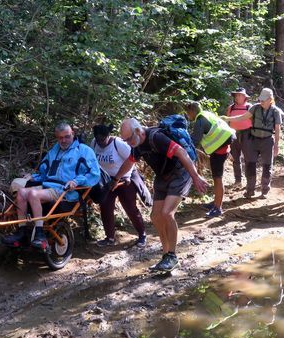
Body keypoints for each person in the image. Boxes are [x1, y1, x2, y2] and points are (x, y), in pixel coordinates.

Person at [116, 118, 208, 272]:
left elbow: (182, 153)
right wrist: (115, 179)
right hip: (163, 176)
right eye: (125, 140)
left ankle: (172, 256)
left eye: (129, 138)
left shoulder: (157, 137)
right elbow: (129, 162)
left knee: (167, 213)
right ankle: (166, 255)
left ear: (138, 131)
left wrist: (195, 176)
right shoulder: (136, 144)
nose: (128, 142)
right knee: (155, 216)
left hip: (181, 172)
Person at [5, 122, 100, 249]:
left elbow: (94, 174)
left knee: (33, 194)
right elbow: (46, 172)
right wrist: (34, 177)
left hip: (65, 190)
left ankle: (39, 233)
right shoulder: (55, 151)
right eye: (60, 138)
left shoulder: (84, 151)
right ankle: (22, 231)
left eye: (67, 136)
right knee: (21, 192)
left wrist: (76, 181)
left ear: (73, 134)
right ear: (56, 137)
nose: (64, 140)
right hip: (48, 186)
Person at [91, 124, 147, 247]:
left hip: (125, 179)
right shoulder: (94, 143)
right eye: (98, 139)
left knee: (130, 207)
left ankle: (142, 235)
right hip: (108, 181)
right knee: (105, 207)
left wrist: (126, 176)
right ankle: (110, 237)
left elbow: (132, 160)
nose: (100, 143)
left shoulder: (118, 144)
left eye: (103, 139)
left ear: (108, 136)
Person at [222, 88, 284, 199]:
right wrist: (227, 118)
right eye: (260, 99)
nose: (261, 102)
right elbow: (242, 117)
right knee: (250, 164)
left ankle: (265, 190)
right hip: (253, 140)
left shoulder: (276, 111)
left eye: (264, 100)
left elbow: (277, 128)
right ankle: (250, 190)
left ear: (270, 99)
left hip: (267, 140)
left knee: (267, 166)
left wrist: (276, 145)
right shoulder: (255, 108)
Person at [185, 102, 235, 217]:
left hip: (220, 149)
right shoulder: (207, 114)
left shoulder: (200, 120)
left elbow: (195, 140)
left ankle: (218, 208)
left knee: (218, 179)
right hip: (224, 145)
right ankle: (216, 202)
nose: (188, 116)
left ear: (192, 111)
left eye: (188, 113)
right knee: (216, 177)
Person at [225, 88, 252, 187]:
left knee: (248, 158)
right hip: (233, 134)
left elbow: (254, 122)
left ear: (245, 97)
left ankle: (250, 181)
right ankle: (238, 181)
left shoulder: (249, 107)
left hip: (247, 134)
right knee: (235, 158)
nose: (238, 97)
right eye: (236, 95)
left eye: (240, 95)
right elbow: (227, 122)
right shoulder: (231, 108)